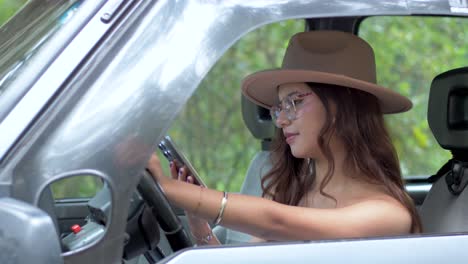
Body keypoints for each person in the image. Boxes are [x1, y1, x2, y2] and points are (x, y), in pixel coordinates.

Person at [147, 30, 422, 245]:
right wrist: (199, 226)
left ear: (341, 105)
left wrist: (168, 188)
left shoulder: (389, 215)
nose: (280, 120)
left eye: (295, 102)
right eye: (279, 107)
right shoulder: (294, 189)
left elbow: (274, 221)